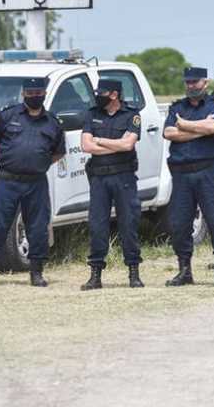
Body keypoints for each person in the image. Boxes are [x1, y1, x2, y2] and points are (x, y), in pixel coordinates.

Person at [0, 78, 65, 288]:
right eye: (30, 93)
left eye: (38, 93)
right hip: (8, 181)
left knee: (38, 227)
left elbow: (57, 153)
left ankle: (36, 273)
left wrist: (36, 163)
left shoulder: (52, 122)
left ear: (44, 94)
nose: (34, 96)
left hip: (36, 183)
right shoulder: (7, 116)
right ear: (24, 94)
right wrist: (12, 160)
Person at [163, 66, 214, 288]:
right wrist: (199, 129)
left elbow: (213, 127)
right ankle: (184, 270)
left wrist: (184, 125)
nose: (191, 86)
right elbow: (168, 132)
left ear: (204, 83)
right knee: (179, 224)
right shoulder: (176, 107)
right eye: (188, 83)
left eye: (195, 82)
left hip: (210, 173)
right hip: (182, 174)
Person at [79, 79, 144, 290]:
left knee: (129, 224)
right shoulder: (92, 114)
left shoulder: (131, 115)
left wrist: (100, 140)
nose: (98, 96)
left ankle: (133, 272)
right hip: (99, 178)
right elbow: (86, 146)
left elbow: (128, 145)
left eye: (102, 92)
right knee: (97, 225)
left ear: (114, 94)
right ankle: (95, 274)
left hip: (124, 177)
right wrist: (114, 145)